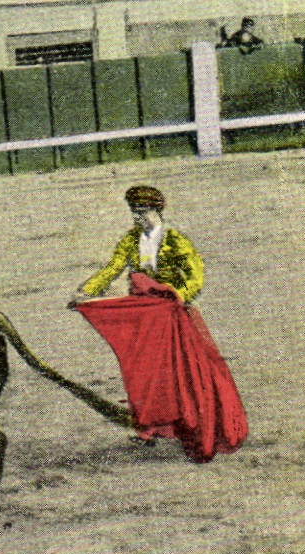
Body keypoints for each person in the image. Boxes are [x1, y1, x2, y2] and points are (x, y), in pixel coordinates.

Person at [69, 185, 247, 463]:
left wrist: (177, 294)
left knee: (183, 371)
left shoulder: (176, 240)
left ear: (156, 211)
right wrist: (87, 292)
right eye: (134, 213)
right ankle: (147, 428)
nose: (137, 218)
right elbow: (113, 268)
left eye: (142, 213)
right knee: (143, 370)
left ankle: (186, 424)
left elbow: (194, 275)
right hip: (144, 316)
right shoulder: (130, 240)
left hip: (172, 316)